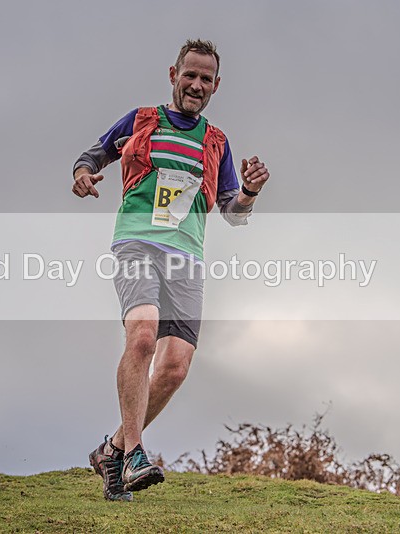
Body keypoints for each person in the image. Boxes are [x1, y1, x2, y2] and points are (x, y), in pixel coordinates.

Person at [72, 39, 270, 501]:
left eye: (206, 79)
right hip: (138, 242)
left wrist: (250, 192)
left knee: (176, 367)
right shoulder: (142, 120)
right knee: (143, 335)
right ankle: (137, 454)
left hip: (187, 256)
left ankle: (113, 451)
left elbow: (232, 214)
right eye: (190, 75)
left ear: (216, 86)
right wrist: (82, 174)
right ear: (173, 75)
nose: (196, 85)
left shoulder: (216, 142)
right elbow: (92, 155)